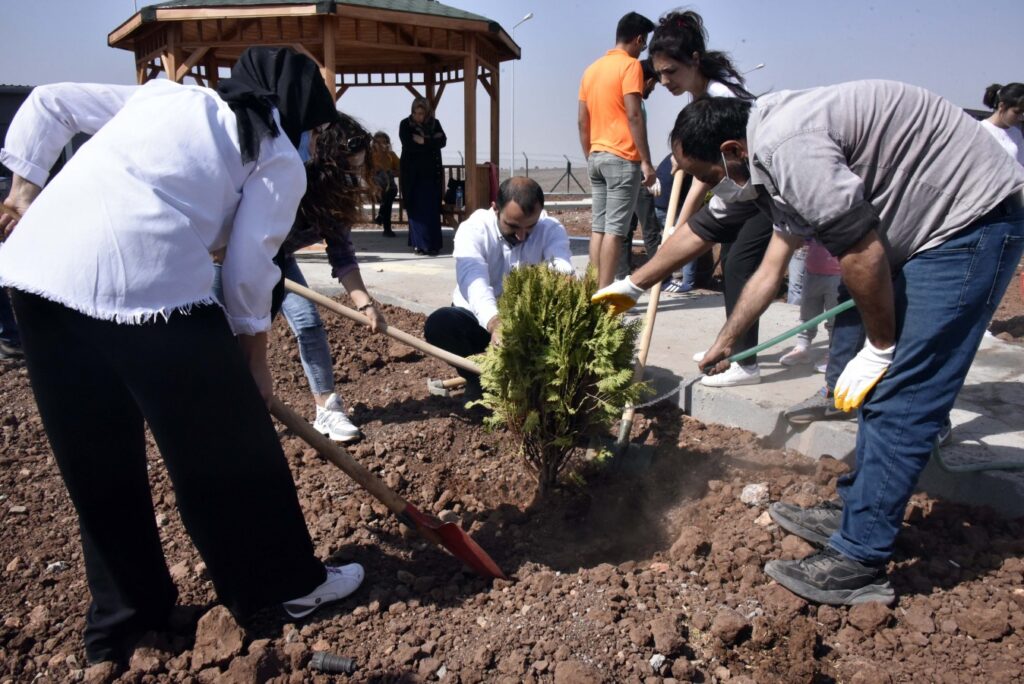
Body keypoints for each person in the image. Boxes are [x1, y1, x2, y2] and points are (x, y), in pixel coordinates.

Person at [0, 47, 367, 665]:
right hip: (146, 277)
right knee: (231, 447)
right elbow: (251, 273)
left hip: (37, 277)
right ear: (305, 111)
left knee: (99, 462)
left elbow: (49, 103)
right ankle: (284, 589)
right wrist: (251, 364)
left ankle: (126, 622)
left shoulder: (167, 94)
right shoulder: (278, 153)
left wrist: (21, 196)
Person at [594, 80, 1024, 605]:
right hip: (930, 224)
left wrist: (881, 347)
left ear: (731, 152)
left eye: (707, 174)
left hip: (969, 225)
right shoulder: (761, 160)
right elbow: (713, 236)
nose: (711, 185)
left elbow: (860, 251)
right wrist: (634, 286)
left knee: (904, 393)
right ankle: (857, 507)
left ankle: (860, 560)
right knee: (877, 390)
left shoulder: (787, 148)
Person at [648, 9, 771, 387]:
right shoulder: (699, 96)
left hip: (764, 188)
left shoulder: (721, 97)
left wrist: (681, 224)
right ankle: (730, 346)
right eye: (659, 73)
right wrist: (677, 225)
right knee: (734, 262)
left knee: (740, 266)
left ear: (694, 61)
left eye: (671, 71)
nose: (664, 80)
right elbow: (702, 169)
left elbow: (712, 172)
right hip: (739, 193)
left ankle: (745, 362)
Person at [277, 113, 385, 443]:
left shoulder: (336, 197)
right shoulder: (286, 178)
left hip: (278, 260)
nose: (353, 177)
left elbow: (341, 254)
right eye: (347, 168)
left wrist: (364, 303)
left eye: (358, 168)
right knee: (227, 336)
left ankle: (327, 409)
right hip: (229, 259)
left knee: (307, 322)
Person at [424, 177, 574, 400]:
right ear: (495, 209)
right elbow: (475, 281)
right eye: (513, 226)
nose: (521, 236)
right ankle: (480, 379)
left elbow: (561, 267)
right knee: (440, 324)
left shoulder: (550, 229)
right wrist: (495, 323)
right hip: (477, 321)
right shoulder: (473, 230)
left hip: (525, 323)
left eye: (530, 227)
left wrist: (559, 279)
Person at [578, 11, 657, 288]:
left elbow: (581, 120)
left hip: (597, 156)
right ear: (638, 39)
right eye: (644, 43)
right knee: (615, 232)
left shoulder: (591, 70)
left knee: (598, 228)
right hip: (623, 158)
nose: (642, 49)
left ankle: (591, 290)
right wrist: (646, 162)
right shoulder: (630, 66)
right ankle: (604, 295)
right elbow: (634, 115)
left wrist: (590, 154)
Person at [616, 58, 663, 281]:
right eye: (653, 86)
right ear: (649, 80)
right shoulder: (636, 102)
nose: (652, 90)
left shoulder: (627, 99)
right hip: (636, 170)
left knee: (625, 231)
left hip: (626, 168)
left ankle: (622, 277)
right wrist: (648, 166)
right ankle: (660, 278)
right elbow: (636, 135)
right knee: (650, 229)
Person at [778, 239, 840, 373]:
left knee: (835, 318)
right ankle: (802, 347)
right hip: (812, 271)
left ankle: (834, 352)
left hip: (838, 273)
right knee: (807, 314)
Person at [399, 97, 446, 255]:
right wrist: (430, 143)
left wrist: (424, 141)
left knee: (431, 211)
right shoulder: (405, 124)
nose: (419, 116)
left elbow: (443, 141)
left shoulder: (434, 124)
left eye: (422, 113)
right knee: (416, 211)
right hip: (412, 176)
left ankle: (432, 245)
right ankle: (419, 244)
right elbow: (409, 145)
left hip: (431, 175)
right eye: (416, 113)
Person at [981, 82, 1024, 167]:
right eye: (1017, 112)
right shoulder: (979, 129)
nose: (1021, 118)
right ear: (1002, 106)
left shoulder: (1016, 134)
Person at [370, 130, 400, 237]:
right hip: (376, 188)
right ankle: (387, 229)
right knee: (387, 200)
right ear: (373, 143)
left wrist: (390, 172)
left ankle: (381, 217)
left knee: (388, 196)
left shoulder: (391, 155)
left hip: (389, 186)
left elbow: (400, 170)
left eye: (384, 142)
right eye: (378, 142)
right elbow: (364, 170)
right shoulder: (369, 156)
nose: (381, 144)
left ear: (387, 143)